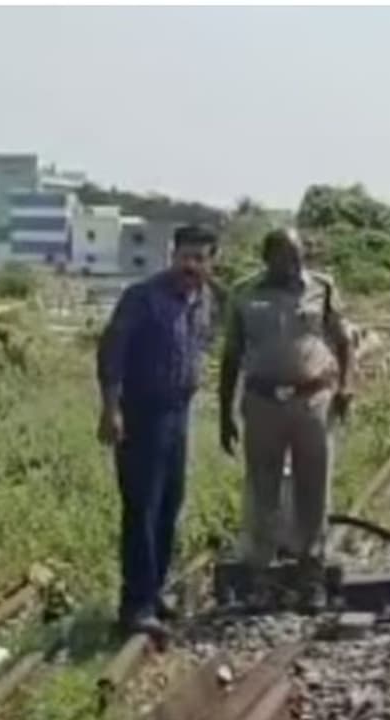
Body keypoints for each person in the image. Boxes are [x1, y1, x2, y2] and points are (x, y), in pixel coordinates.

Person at [219, 228, 353, 607]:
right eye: (286, 259)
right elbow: (231, 357)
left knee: (314, 485)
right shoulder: (245, 294)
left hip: (312, 400)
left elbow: (343, 342)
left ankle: (310, 574)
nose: (295, 267)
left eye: (299, 257)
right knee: (263, 488)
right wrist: (225, 414)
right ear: (268, 260)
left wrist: (346, 387)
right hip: (262, 402)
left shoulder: (322, 288)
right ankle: (260, 576)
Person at [96, 225, 219, 638]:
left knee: (170, 505)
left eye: (200, 258)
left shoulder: (204, 301)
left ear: (210, 262)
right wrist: (111, 409)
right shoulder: (142, 297)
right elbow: (112, 353)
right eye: (186, 256)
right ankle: (134, 606)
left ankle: (155, 592)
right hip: (140, 414)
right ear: (172, 255)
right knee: (142, 509)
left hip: (178, 413)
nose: (192, 265)